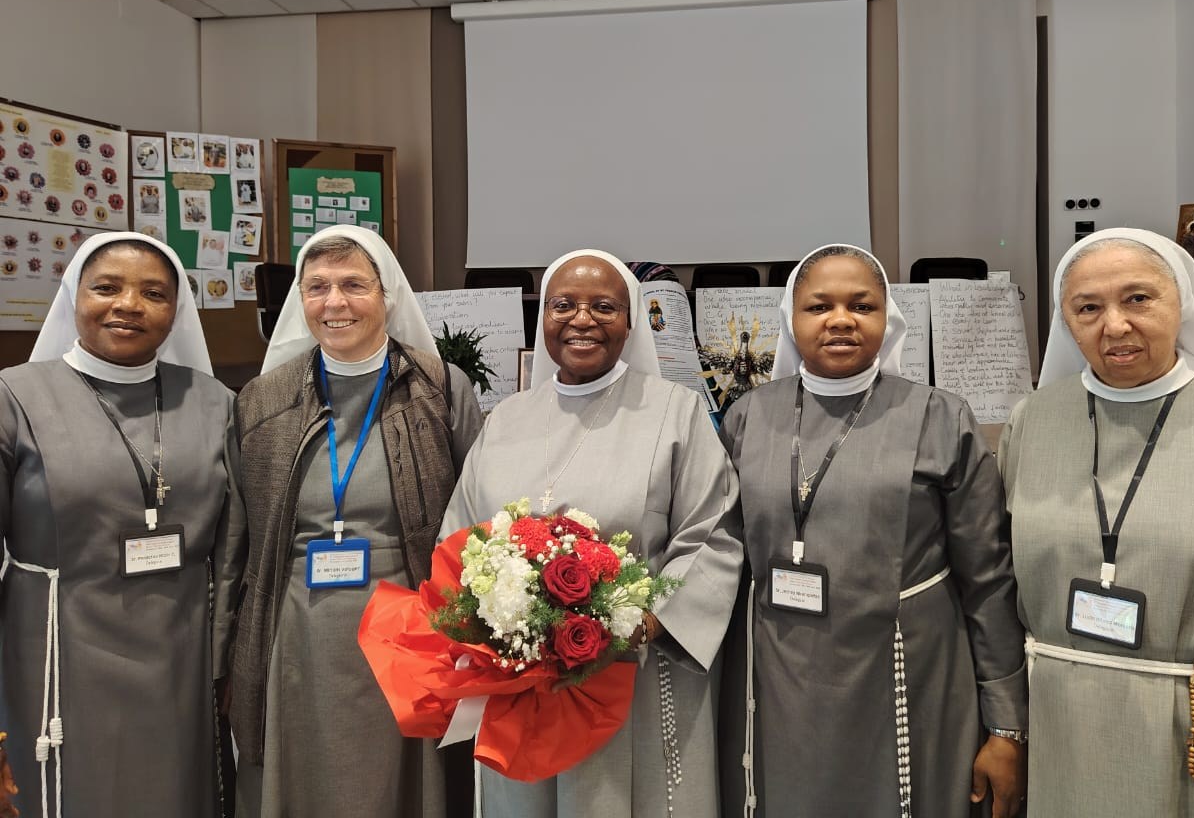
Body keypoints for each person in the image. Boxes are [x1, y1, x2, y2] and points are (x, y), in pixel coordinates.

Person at [719, 244, 1028, 818]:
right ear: (792, 319)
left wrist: (1006, 725)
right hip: (780, 675)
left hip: (907, 669)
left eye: (861, 305)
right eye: (819, 307)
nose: (841, 320)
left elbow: (987, 579)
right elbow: (722, 558)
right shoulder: (748, 415)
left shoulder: (940, 415)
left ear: (888, 317)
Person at [440, 248, 742, 818]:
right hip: (521, 683)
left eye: (604, 306)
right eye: (564, 305)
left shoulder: (675, 412)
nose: (582, 319)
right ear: (544, 318)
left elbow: (713, 534)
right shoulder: (506, 418)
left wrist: (642, 621)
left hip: (634, 671)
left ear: (630, 323)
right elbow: (460, 534)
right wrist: (490, 619)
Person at [1000, 227, 1194, 817]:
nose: (1115, 326)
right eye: (1088, 307)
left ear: (1184, 301)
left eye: (1138, 299)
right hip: (1063, 718)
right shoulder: (1033, 420)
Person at [224, 226, 483, 818]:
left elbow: (477, 515)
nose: (334, 302)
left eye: (352, 285)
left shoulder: (439, 388)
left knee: (402, 780)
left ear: (386, 295)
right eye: (317, 287)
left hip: (413, 619)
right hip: (298, 625)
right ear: (300, 298)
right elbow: (238, 536)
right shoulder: (262, 401)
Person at [0, 231, 234, 818]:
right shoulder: (14, 396)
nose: (128, 304)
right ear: (73, 296)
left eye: (153, 292)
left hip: (181, 654)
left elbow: (236, 548)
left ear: (175, 312)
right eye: (107, 287)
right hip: (54, 649)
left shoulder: (215, 403)